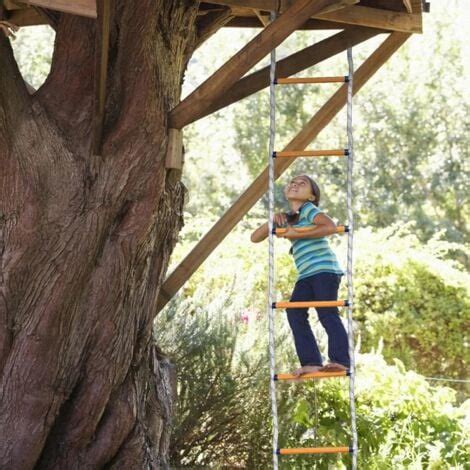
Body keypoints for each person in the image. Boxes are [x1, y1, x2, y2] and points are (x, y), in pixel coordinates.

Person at [251, 174, 350, 377]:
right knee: (294, 312)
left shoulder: (309, 210)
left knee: (327, 312)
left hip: (324, 270)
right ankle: (312, 362)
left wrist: (295, 233)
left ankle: (341, 360)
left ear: (312, 196)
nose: (295, 184)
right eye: (292, 182)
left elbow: (329, 226)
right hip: (306, 274)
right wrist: (273, 220)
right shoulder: (288, 218)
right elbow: (255, 237)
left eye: (302, 183)